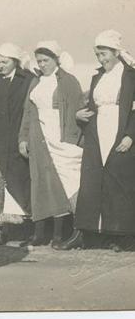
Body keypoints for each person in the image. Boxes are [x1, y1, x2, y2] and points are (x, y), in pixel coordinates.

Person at [59, 30, 135, 251]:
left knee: (119, 182)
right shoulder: (98, 76)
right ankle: (85, 232)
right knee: (91, 181)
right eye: (98, 55)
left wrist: (131, 135)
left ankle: (123, 235)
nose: (101, 59)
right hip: (97, 131)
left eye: (104, 54)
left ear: (115, 52)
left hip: (120, 131)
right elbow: (94, 106)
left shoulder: (130, 76)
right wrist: (80, 115)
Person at [18, 41, 84, 248]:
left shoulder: (68, 81)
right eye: (39, 61)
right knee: (41, 183)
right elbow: (28, 112)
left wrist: (71, 141)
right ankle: (40, 232)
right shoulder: (35, 82)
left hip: (59, 135)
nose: (43, 64)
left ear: (56, 59)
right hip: (39, 137)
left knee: (61, 182)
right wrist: (23, 138)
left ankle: (59, 233)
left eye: (46, 60)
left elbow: (76, 112)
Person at [0, 43, 34, 244]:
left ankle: (26, 229)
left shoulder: (28, 80)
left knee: (20, 184)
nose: (0, 66)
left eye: (4, 62)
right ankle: (6, 230)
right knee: (2, 185)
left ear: (15, 61)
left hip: (18, 141)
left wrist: (25, 138)